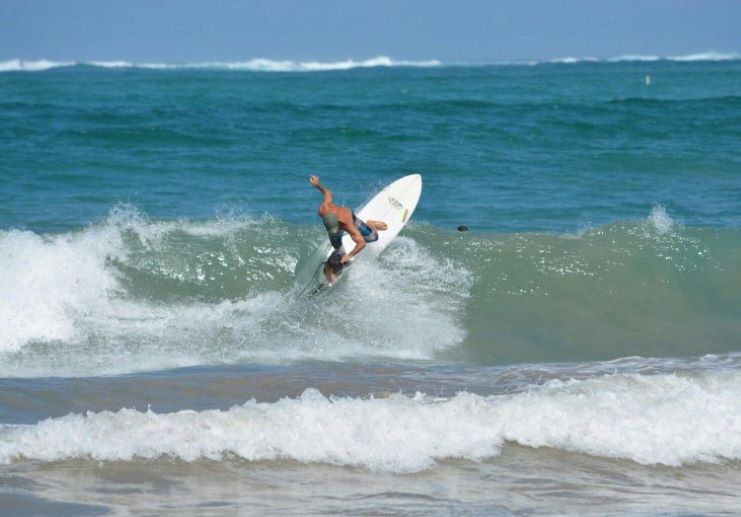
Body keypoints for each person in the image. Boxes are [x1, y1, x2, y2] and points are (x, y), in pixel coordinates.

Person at [309, 175, 387, 284]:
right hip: (335, 225)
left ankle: (371, 224)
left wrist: (349, 255)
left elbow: (362, 243)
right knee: (339, 250)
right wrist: (318, 185)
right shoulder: (323, 209)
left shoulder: (347, 223)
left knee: (373, 237)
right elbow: (327, 193)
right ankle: (329, 266)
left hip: (350, 219)